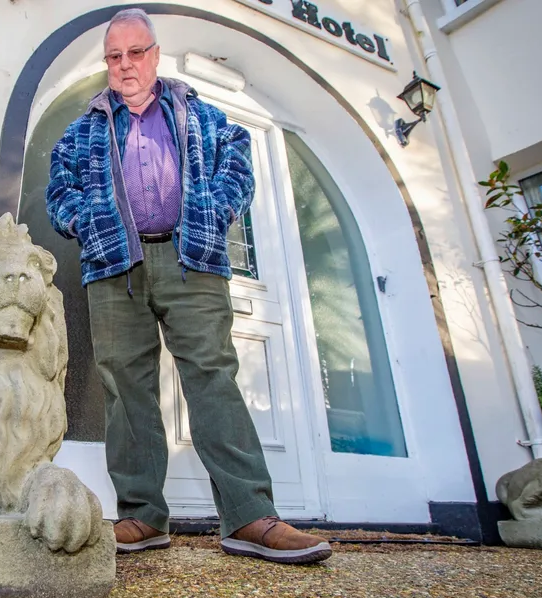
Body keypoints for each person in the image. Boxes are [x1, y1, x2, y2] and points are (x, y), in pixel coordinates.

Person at [45, 8, 331, 565]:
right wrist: (89, 223)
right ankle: (141, 516)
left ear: (154, 54)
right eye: (114, 56)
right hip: (113, 267)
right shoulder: (83, 128)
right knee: (126, 387)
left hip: (191, 258)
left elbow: (238, 164)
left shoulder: (199, 113)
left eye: (135, 53)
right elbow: (61, 190)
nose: (124, 64)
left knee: (212, 377)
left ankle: (250, 516)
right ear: (107, 63)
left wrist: (214, 209)